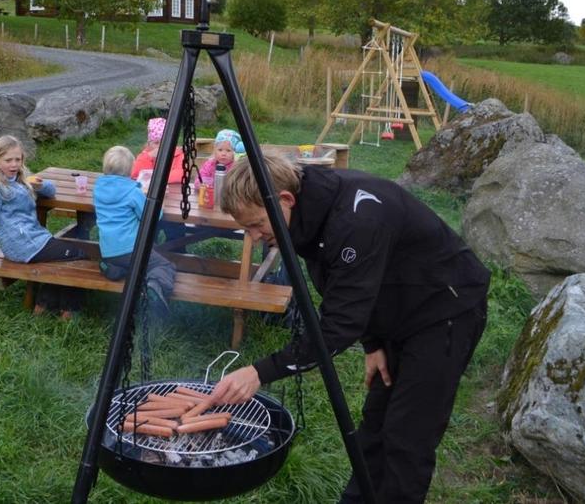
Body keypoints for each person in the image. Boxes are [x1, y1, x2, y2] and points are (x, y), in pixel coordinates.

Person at [210, 153, 490, 503]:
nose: (252, 236)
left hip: (445, 308)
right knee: (374, 428)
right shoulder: (306, 210)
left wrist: (259, 373)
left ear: (285, 199)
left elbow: (337, 327)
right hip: (397, 308)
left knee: (408, 437)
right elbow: (344, 285)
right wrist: (373, 343)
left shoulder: (354, 221)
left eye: (255, 225)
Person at [0, 135, 85, 320]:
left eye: (18, 159)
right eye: (8, 160)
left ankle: (45, 303)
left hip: (33, 239)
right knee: (80, 253)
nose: (14, 164)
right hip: (22, 244)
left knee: (63, 256)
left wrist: (38, 184)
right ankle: (68, 308)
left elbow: (51, 191)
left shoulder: (18, 178)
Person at [93, 146, 176, 318]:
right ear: (131, 169)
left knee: (129, 264)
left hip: (108, 250)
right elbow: (154, 215)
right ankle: (154, 286)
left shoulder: (98, 189)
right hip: (131, 250)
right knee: (164, 265)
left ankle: (112, 268)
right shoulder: (132, 192)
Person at [130, 117, 185, 185]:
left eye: (164, 142)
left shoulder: (178, 155)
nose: (160, 146)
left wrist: (153, 177)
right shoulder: (145, 155)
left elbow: (180, 175)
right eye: (156, 143)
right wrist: (148, 157)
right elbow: (136, 174)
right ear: (149, 143)